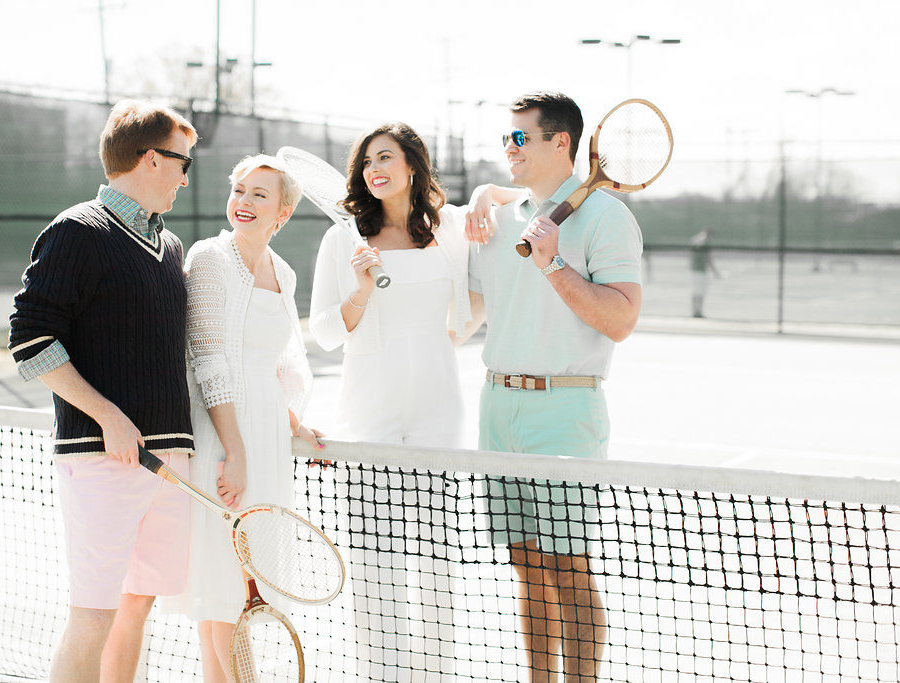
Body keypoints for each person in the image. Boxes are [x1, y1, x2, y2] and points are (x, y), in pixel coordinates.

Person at [309, 122, 520, 681]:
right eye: (366, 162)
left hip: (437, 400)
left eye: (386, 158)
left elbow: (522, 199)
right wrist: (359, 290)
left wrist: (480, 196)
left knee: (435, 554)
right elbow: (326, 333)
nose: (374, 170)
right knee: (375, 555)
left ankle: (433, 672)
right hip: (367, 406)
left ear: (411, 166)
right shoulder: (342, 240)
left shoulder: (449, 229)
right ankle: (381, 671)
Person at [8, 99, 198, 682]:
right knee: (94, 614)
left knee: (138, 604)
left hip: (169, 464)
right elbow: (31, 341)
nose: (186, 177)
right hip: (101, 458)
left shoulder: (170, 249)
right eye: (181, 162)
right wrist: (106, 416)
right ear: (150, 159)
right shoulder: (76, 231)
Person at [467, 91, 643, 682]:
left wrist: (551, 264)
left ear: (560, 143)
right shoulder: (500, 214)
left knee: (568, 566)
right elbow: (465, 307)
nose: (508, 149)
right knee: (525, 565)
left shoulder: (607, 215)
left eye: (521, 138)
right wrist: (480, 197)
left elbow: (620, 319)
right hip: (497, 406)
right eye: (505, 139)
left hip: (565, 408)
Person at [159, 154, 323, 683]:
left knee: (249, 586)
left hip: (267, 441)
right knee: (221, 592)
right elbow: (207, 360)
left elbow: (277, 360)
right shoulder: (210, 258)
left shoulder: (286, 271)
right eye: (239, 190)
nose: (244, 202)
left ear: (285, 210)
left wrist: (293, 422)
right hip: (220, 439)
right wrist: (236, 451)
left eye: (259, 194)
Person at [689, 227, 719, 317]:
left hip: (696, 270)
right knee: (699, 292)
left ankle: (696, 311)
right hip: (700, 271)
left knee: (697, 292)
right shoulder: (704, 243)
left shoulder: (696, 241)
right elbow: (709, 260)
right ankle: (697, 312)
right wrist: (715, 272)